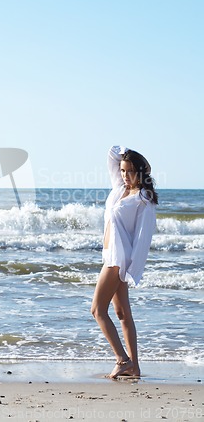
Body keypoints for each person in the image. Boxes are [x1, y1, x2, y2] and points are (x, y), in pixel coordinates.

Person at [91, 145, 158, 379]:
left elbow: (142, 237)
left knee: (98, 310)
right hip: (111, 255)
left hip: (118, 260)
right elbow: (111, 153)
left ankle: (122, 360)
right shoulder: (120, 189)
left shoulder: (143, 199)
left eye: (130, 171)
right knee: (122, 314)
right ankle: (135, 367)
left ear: (140, 172)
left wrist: (132, 269)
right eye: (122, 170)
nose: (124, 176)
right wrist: (125, 152)